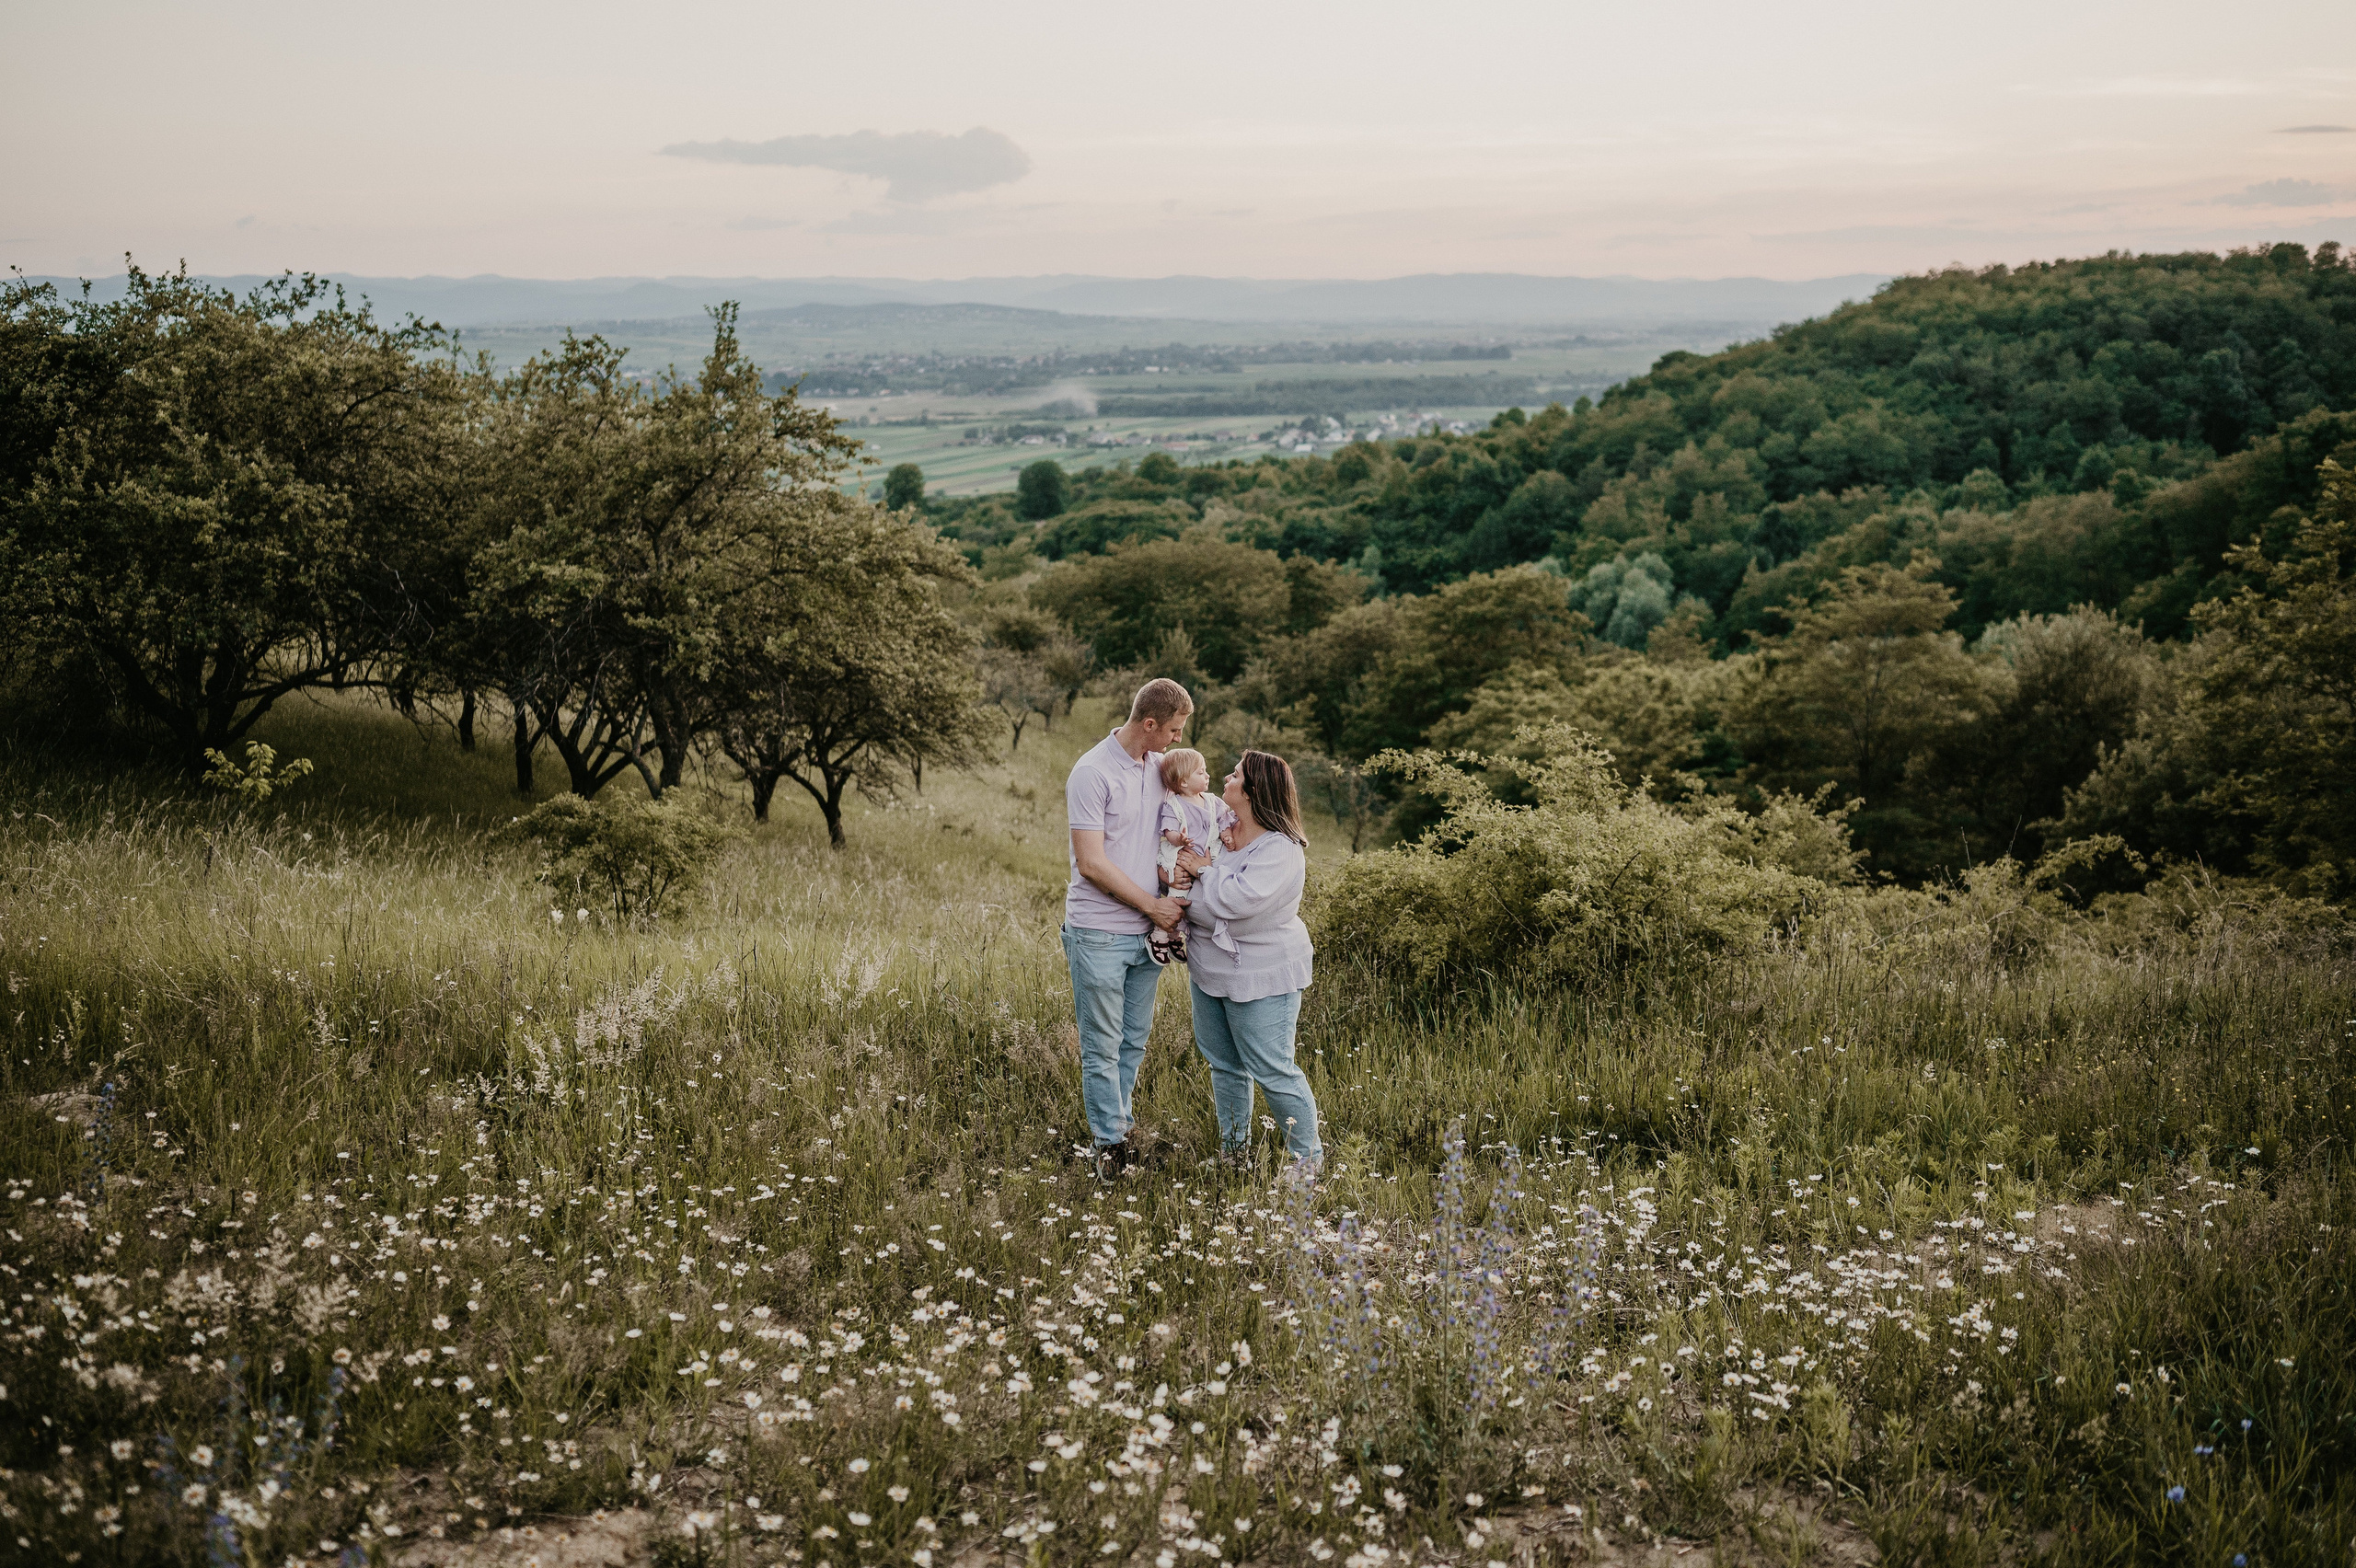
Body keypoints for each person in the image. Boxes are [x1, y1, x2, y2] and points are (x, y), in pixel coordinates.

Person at [1063, 677, 1193, 1178]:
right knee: (1102, 1045)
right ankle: (1110, 1150)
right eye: (1175, 729)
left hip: (1147, 936)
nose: (1179, 739)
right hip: (1098, 931)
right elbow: (1091, 863)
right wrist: (1155, 908)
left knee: (1134, 1041)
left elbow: (1202, 803)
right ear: (1150, 723)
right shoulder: (1091, 773)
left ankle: (1120, 1128)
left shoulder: (1160, 768)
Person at [1173, 749, 1322, 1180]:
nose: (1225, 777)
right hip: (1210, 968)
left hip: (1263, 973)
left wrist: (1202, 872)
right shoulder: (1223, 834)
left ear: (1254, 791)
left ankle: (1306, 1162)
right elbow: (1196, 897)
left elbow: (1236, 901)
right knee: (1224, 1064)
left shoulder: (1279, 849)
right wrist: (1203, 881)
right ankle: (1234, 1151)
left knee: (1273, 1068)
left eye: (1235, 775)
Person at [1148, 747, 1235, 968]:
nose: (1207, 775)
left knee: (1193, 902)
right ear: (1184, 782)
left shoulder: (1212, 801)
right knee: (1177, 896)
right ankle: (1159, 935)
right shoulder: (1174, 805)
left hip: (1207, 859)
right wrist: (1179, 839)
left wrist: (1226, 834)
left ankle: (1176, 936)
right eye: (1200, 772)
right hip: (1181, 858)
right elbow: (1168, 831)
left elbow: (1224, 820)